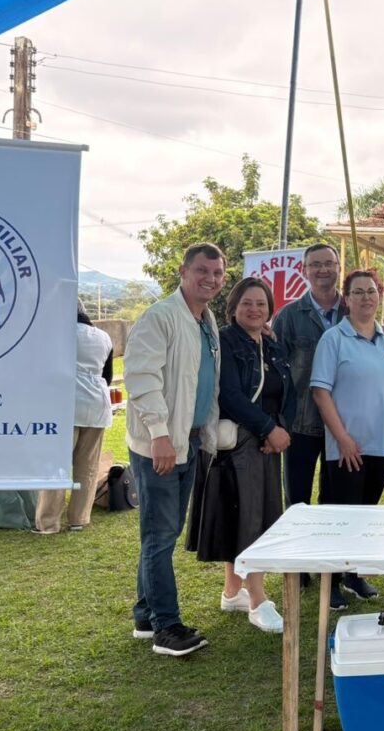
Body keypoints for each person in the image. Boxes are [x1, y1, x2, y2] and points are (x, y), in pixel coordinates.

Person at [125, 242, 225, 657]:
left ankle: (146, 616)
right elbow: (141, 378)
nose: (210, 279)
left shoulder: (206, 319)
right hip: (160, 446)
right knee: (160, 535)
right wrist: (159, 434)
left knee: (161, 533)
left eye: (218, 273)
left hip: (188, 440)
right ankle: (168, 628)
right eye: (202, 270)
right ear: (183, 271)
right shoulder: (160, 317)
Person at [188, 277, 294, 633]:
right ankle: (258, 599)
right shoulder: (225, 341)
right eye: (247, 303)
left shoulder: (270, 343)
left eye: (261, 304)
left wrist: (277, 430)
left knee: (254, 515)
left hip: (266, 442)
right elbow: (229, 394)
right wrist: (268, 429)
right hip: (238, 445)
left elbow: (286, 392)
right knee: (249, 520)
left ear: (269, 309)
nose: (254, 309)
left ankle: (232, 590)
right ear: (233, 308)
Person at [311, 269, 384, 609]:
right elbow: (321, 392)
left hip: (381, 446)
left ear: (379, 296)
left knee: (366, 515)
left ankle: (353, 574)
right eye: (358, 292)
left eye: (372, 291)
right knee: (342, 516)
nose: (366, 297)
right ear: (347, 299)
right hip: (347, 447)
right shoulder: (334, 339)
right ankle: (332, 580)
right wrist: (343, 439)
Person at [272, 242, 344, 592]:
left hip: (342, 424)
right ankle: (299, 567)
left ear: (338, 267)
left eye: (328, 263)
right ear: (304, 270)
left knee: (336, 502)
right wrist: (277, 421)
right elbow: (276, 371)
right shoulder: (289, 317)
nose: (322, 270)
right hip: (300, 423)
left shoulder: (353, 309)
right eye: (315, 265)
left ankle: (337, 568)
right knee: (298, 499)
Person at [35, 306, 114, 534]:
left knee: (56, 466)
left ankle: (48, 522)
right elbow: (106, 376)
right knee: (87, 467)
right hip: (96, 406)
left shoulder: (58, 334)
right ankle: (79, 519)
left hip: (63, 405)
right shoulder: (104, 337)